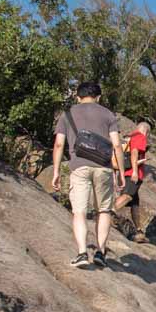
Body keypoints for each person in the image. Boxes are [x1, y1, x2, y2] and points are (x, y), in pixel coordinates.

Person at [50, 81, 123, 268]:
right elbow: (116, 145)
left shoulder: (67, 114)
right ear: (98, 97)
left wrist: (56, 171)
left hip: (79, 166)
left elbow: (59, 144)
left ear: (77, 96)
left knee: (79, 212)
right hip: (104, 167)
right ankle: (100, 252)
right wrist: (121, 171)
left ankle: (82, 253)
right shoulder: (108, 114)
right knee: (104, 210)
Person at [113, 118, 151, 243]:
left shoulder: (130, 137)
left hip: (125, 171)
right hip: (132, 173)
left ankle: (139, 232)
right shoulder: (140, 137)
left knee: (135, 203)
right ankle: (108, 213)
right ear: (146, 131)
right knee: (128, 196)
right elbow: (134, 152)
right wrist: (135, 171)